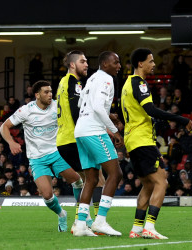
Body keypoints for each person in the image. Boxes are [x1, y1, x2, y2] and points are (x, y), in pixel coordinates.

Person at [122, 48, 192, 240]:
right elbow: (151, 109)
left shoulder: (127, 84)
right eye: (151, 61)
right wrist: (180, 119)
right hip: (142, 140)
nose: (154, 65)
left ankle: (136, 229)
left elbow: (140, 114)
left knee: (148, 185)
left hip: (133, 141)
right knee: (162, 182)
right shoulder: (139, 83)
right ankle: (150, 227)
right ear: (140, 64)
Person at [0, 80, 83, 232]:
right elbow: (4, 126)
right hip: (37, 158)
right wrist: (11, 143)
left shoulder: (58, 106)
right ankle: (61, 214)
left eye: (51, 91)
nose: (50, 94)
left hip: (58, 153)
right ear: (37, 95)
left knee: (78, 182)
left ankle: (81, 217)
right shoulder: (26, 110)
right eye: (46, 92)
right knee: (47, 195)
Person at [72, 51, 124, 237]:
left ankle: (80, 225)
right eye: (115, 62)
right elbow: (98, 107)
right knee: (115, 173)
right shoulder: (106, 80)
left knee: (92, 179)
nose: (119, 66)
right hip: (94, 131)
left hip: (80, 131)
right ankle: (100, 221)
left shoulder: (92, 79)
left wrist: (107, 114)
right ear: (104, 63)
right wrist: (115, 131)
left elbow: (81, 105)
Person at [55, 50, 96, 231]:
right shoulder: (74, 82)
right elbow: (75, 109)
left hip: (63, 139)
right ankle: (86, 220)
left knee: (79, 180)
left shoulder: (62, 82)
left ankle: (84, 219)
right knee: (94, 177)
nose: (86, 64)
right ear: (72, 65)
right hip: (74, 137)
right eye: (82, 61)